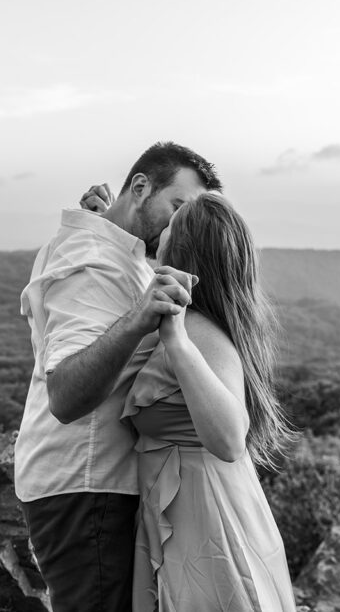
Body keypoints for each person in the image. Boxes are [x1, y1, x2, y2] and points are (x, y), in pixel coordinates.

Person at [16, 142, 223, 612]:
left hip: (89, 484)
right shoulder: (92, 263)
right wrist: (140, 317)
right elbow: (65, 396)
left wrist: (102, 219)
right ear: (140, 186)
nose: (181, 225)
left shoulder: (109, 249)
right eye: (177, 207)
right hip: (88, 484)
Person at [123, 191, 299, 611]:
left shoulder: (199, 333)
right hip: (191, 511)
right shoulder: (200, 321)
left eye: (170, 225)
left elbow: (229, 438)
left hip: (208, 521)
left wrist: (177, 341)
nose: (160, 231)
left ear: (182, 250)